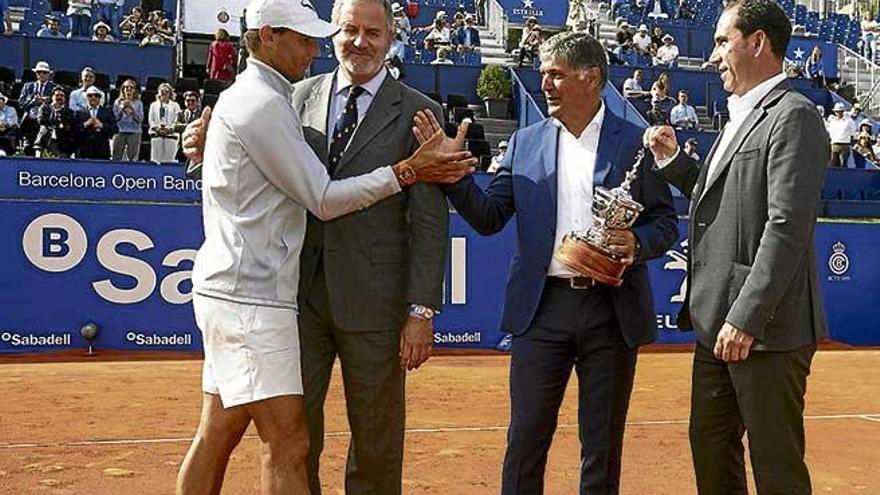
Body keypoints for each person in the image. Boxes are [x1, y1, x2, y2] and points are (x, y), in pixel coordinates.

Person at [175, 0, 474, 493]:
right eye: (349, 30)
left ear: (393, 37)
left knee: (374, 443)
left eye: (373, 32)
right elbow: (282, 177)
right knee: (293, 439)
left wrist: (421, 309)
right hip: (295, 302)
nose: (360, 42)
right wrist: (203, 151)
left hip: (373, 303)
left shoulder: (420, 111)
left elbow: (428, 223)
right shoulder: (288, 95)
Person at [413, 30, 678, 494]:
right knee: (526, 440)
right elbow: (491, 217)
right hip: (542, 311)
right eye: (543, 74)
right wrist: (454, 177)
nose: (545, 83)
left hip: (611, 312)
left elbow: (665, 224)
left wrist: (634, 242)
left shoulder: (637, 142)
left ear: (591, 77)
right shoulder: (525, 142)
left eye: (556, 74)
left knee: (601, 447)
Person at [643, 1, 829, 493]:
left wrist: (746, 318)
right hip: (715, 325)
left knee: (776, 469)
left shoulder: (794, 116)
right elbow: (724, 203)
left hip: (765, 330)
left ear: (758, 42)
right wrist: (674, 165)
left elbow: (785, 227)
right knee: (711, 453)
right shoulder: (738, 116)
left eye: (723, 41)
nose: (713, 55)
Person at [19, 61, 58, 156]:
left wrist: (47, 102)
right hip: (30, 121)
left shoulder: (54, 88)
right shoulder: (28, 86)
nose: (41, 74)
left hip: (46, 121)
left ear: (49, 74)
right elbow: (21, 103)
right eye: (39, 72)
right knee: (28, 148)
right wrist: (33, 102)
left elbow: (58, 103)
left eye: (44, 72)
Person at [74, 86, 116, 159]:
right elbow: (74, 130)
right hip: (84, 151)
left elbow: (114, 129)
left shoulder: (107, 112)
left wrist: (102, 125)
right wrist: (85, 124)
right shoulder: (79, 112)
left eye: (96, 95)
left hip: (102, 151)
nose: (93, 97)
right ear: (86, 98)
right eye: (90, 95)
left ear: (100, 98)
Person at [35, 87, 76, 158]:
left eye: (62, 95)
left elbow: (68, 125)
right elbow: (41, 120)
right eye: (57, 95)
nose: (59, 97)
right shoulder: (44, 108)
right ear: (52, 97)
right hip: (43, 140)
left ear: (65, 98)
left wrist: (59, 114)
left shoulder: (70, 112)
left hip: (61, 143)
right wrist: (54, 112)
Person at [111, 79, 143, 161]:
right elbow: (115, 118)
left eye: (131, 87)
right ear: (123, 89)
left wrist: (132, 109)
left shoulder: (138, 103)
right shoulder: (117, 102)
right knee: (116, 156)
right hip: (120, 131)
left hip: (134, 131)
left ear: (135, 90)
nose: (129, 89)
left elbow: (140, 119)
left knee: (133, 158)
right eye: (126, 87)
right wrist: (122, 109)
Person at [148, 83, 180, 163]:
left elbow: (177, 119)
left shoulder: (175, 105)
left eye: (166, 91)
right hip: (156, 135)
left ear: (170, 93)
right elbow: (151, 120)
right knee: (156, 161)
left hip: (170, 136)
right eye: (161, 91)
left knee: (169, 161)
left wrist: (170, 129)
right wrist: (157, 128)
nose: (163, 93)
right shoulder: (153, 105)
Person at [826, 102, 856, 167]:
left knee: (843, 164)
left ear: (842, 111)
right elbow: (829, 131)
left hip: (844, 144)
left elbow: (853, 132)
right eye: (837, 111)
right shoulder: (832, 121)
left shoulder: (849, 121)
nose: (838, 113)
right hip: (834, 144)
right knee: (833, 164)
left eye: (840, 111)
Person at [0, 91, 19, 155]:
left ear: (3, 101)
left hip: (8, 129)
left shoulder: (11, 109)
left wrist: (3, 126)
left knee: (12, 130)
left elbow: (12, 122)